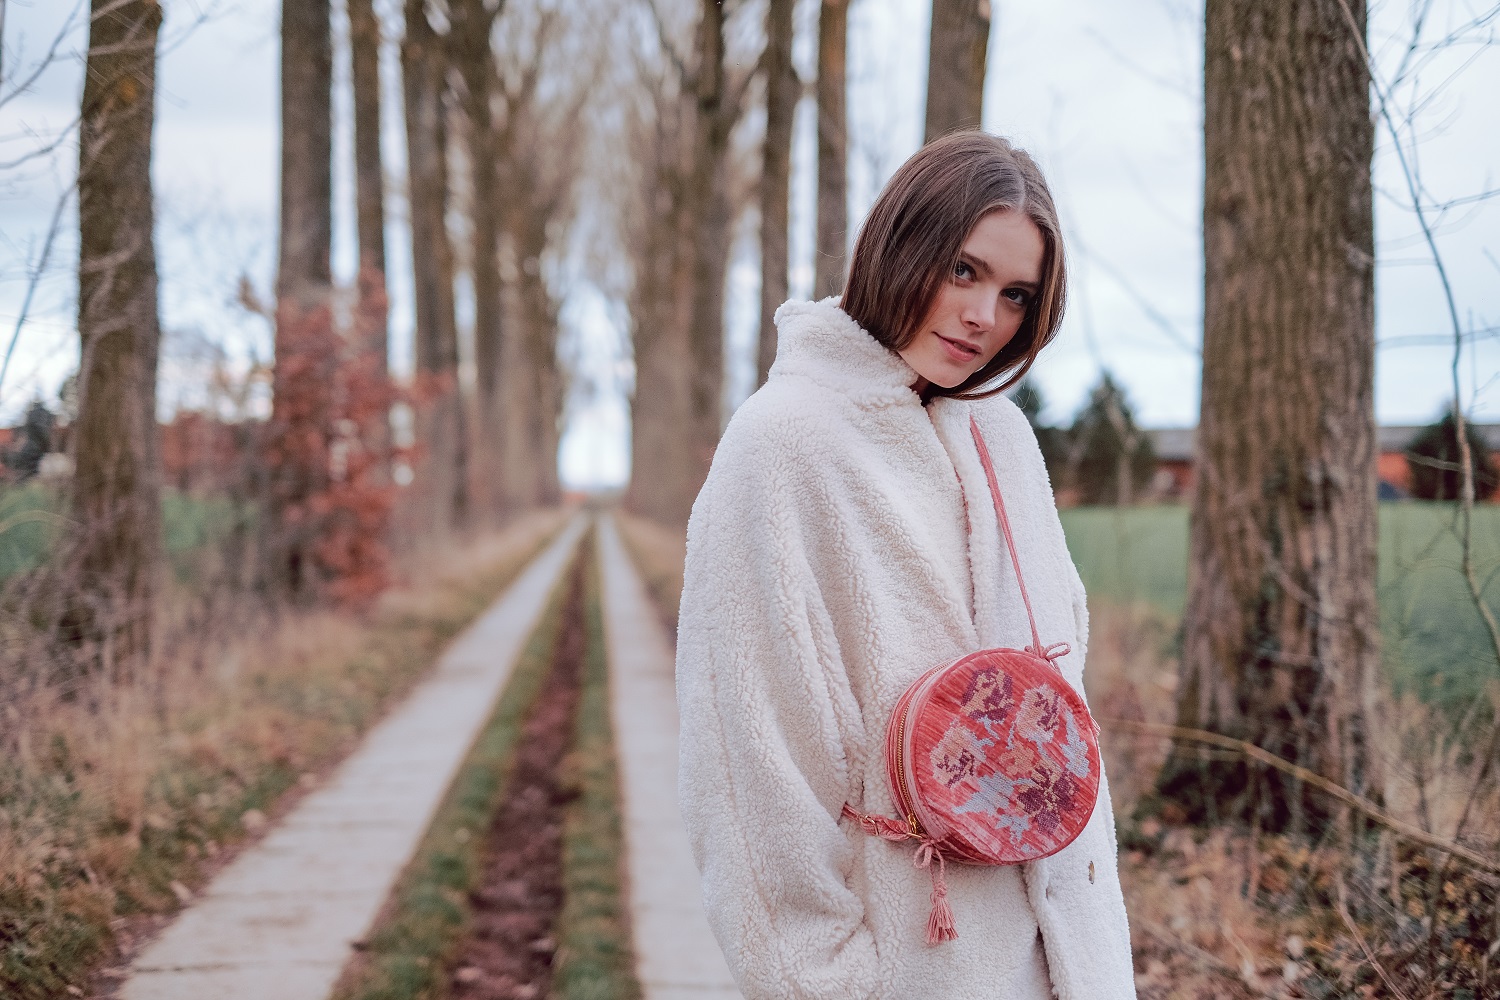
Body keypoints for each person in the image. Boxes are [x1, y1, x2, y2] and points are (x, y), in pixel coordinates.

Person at [675, 131, 1136, 999]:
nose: (982, 317)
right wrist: (829, 984)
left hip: (1068, 964)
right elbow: (750, 778)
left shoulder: (1004, 437)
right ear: (900, 245)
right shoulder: (781, 448)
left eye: (1014, 295)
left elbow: (1058, 714)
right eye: (963, 271)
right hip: (912, 969)